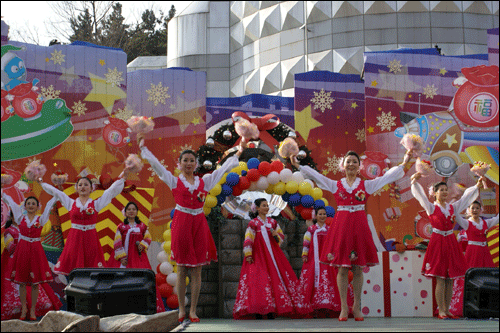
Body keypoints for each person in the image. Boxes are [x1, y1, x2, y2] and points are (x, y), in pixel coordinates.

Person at [138, 133, 247, 323]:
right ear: (180, 164)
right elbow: (158, 167)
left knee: (197, 269)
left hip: (198, 224)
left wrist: (238, 153)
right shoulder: (174, 181)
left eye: (192, 160)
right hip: (181, 223)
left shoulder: (204, 182)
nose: (189, 163)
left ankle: (193, 310)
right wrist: (144, 150)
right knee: (181, 268)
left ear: (196, 164)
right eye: (185, 160)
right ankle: (182, 309)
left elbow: (222, 171)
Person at [292, 149, 412, 321]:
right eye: (348, 161)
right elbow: (317, 177)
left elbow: (387, 177)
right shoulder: (335, 185)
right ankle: (343, 307)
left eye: (354, 161)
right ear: (343, 165)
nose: (351, 164)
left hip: (359, 226)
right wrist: (298, 165)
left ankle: (357, 306)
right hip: (341, 227)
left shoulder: (366, 185)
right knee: (342, 267)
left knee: (357, 268)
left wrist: (404, 161)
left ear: (359, 166)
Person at [410, 174, 482, 319]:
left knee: (450, 278)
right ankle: (441, 310)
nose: (444, 192)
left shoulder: (453, 208)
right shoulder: (431, 207)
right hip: (437, 242)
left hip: (450, 241)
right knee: (441, 278)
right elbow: (420, 196)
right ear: (435, 193)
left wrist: (477, 186)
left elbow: (465, 199)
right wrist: (414, 182)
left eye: (445, 190)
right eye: (441, 190)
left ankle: (448, 310)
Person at [39, 170, 131, 275]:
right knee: (73, 268)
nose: (83, 187)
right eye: (80, 185)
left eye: (86, 185)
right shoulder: (70, 202)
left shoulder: (96, 204)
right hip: (75, 238)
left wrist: (123, 179)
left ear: (91, 189)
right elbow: (57, 193)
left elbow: (110, 192)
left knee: (90, 268)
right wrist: (42, 183)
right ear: (76, 188)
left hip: (90, 238)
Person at [233, 198, 309, 319]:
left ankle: (271, 310)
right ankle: (258, 311)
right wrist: (248, 254)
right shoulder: (253, 223)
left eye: (267, 205)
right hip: (258, 256)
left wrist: (276, 236)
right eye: (264, 205)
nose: (266, 208)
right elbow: (248, 239)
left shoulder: (273, 223)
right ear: (257, 208)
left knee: (274, 279)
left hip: (273, 256)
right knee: (260, 281)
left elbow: (281, 238)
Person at [1, 192, 60, 321]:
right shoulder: (20, 218)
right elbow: (10, 200)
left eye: (33, 204)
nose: (31, 205)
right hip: (22, 250)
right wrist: (2, 190)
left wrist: (56, 195)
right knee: (21, 282)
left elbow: (49, 205)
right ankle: (24, 309)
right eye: (28, 204)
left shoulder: (41, 219)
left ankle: (32, 309)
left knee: (35, 283)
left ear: (37, 206)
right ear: (25, 207)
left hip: (36, 251)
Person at [107, 201, 166, 313]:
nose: (131, 211)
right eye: (129, 209)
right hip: (125, 260)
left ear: (137, 212)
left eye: (133, 209)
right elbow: (117, 242)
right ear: (125, 212)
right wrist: (121, 258)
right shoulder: (121, 227)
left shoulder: (142, 226)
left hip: (139, 258)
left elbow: (148, 237)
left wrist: (143, 245)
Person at [299, 207, 349, 317]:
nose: (322, 216)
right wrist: (304, 254)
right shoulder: (311, 230)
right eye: (320, 214)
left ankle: (330, 306)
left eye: (324, 214)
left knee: (330, 279)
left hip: (328, 260)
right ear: (315, 216)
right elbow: (306, 243)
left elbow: (335, 243)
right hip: (313, 259)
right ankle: (314, 307)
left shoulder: (330, 229)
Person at [456, 201, 498, 268]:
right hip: (472, 252)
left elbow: (497, 219)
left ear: (480, 210)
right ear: (469, 210)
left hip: (484, 252)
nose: (475, 210)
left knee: (486, 273)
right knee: (472, 272)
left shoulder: (486, 223)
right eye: (473, 208)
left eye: (477, 208)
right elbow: (456, 216)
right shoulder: (467, 223)